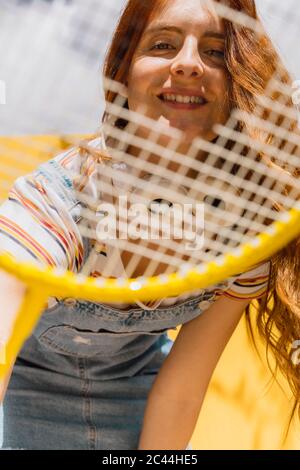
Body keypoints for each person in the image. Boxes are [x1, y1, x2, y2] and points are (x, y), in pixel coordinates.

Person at [0, 0, 298, 450]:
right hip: (15, 400)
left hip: (138, 398)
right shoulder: (54, 202)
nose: (188, 64)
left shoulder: (246, 234)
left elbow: (181, 390)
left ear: (237, 82)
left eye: (216, 52)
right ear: (123, 72)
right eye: (163, 44)